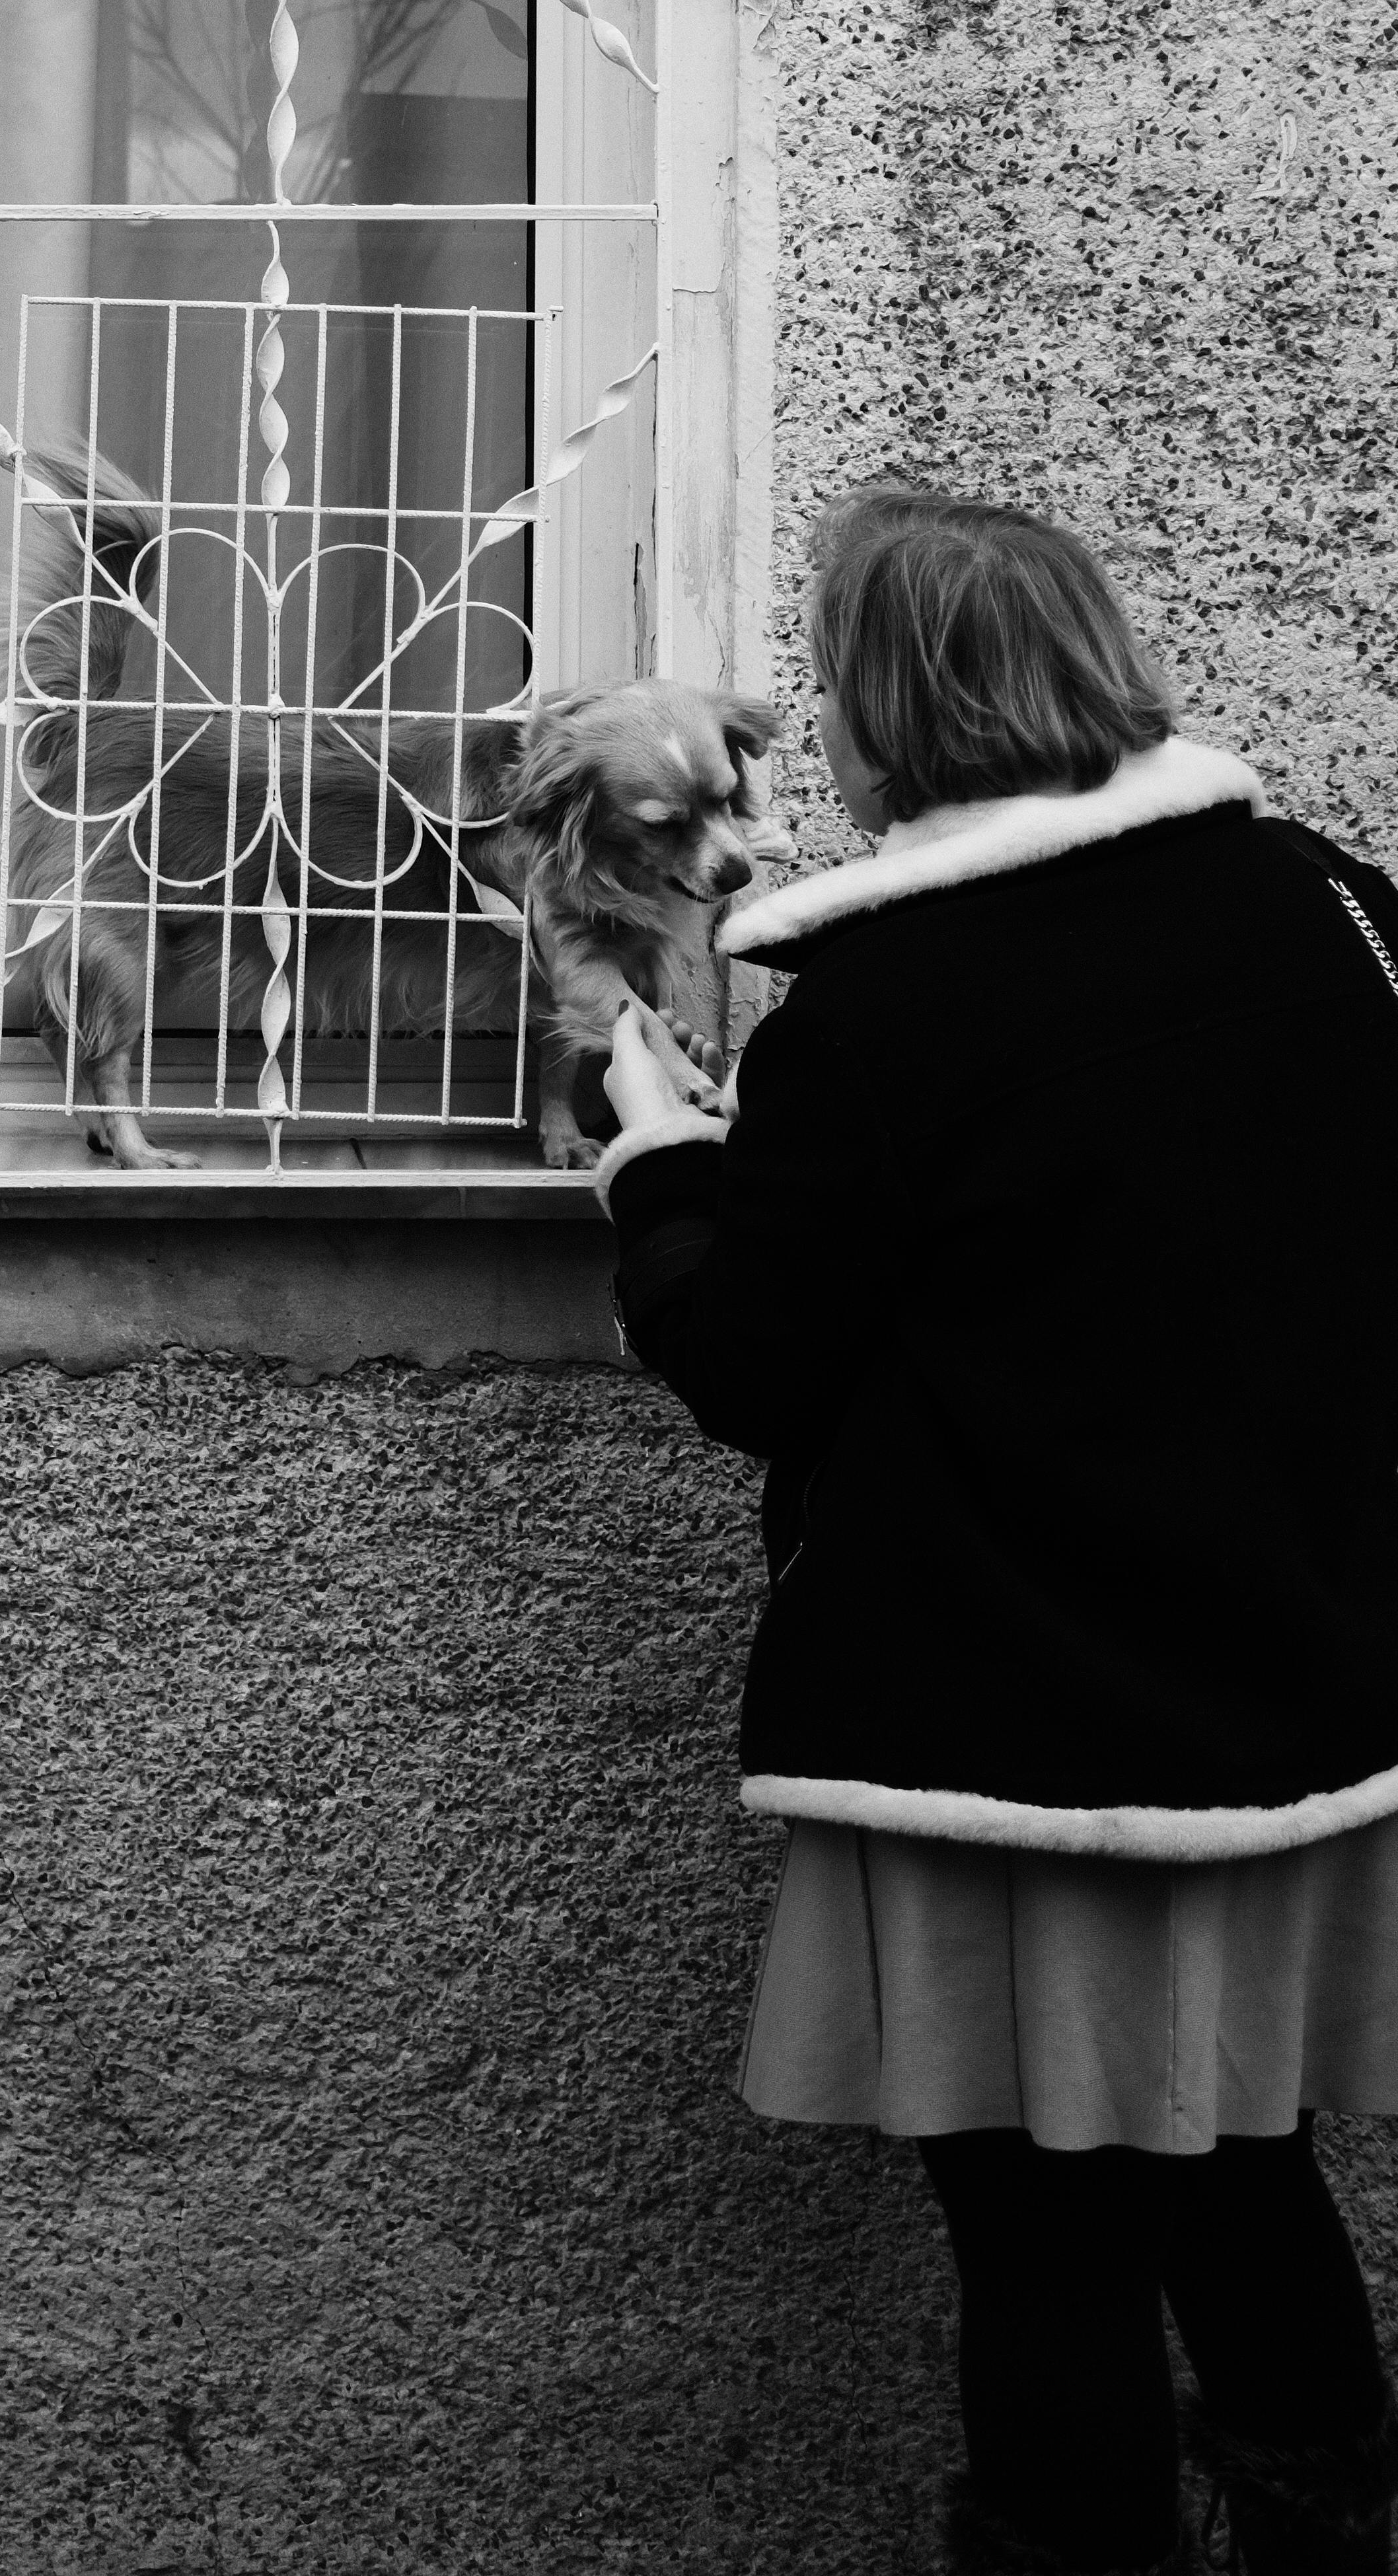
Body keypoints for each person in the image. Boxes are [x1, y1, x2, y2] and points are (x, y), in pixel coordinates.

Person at [598, 484, 1398, 2576]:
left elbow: (756, 1364)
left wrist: (661, 1165)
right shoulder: (1338, 916)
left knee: (1045, 2237)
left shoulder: (891, 1005)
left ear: (895, 711)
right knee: (1240, 2167)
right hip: (1290, 1712)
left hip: (1003, 1741)